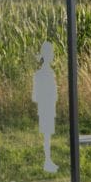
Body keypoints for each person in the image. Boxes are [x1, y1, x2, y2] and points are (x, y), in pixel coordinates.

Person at [32, 41, 58, 173]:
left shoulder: (42, 74)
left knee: (48, 135)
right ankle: (47, 161)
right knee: (47, 136)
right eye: (51, 53)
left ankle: (48, 160)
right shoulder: (45, 74)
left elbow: (35, 96)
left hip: (47, 108)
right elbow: (35, 96)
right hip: (46, 109)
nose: (53, 56)